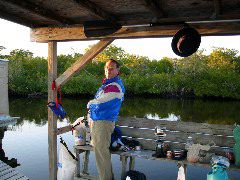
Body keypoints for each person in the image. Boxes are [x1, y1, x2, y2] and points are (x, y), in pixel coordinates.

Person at [87, 59, 125, 180]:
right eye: (106, 68)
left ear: (118, 70)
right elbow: (98, 103)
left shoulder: (115, 86)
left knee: (101, 155)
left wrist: (89, 104)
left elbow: (99, 103)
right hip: (98, 122)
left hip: (103, 123)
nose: (108, 70)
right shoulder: (107, 85)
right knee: (100, 153)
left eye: (111, 68)